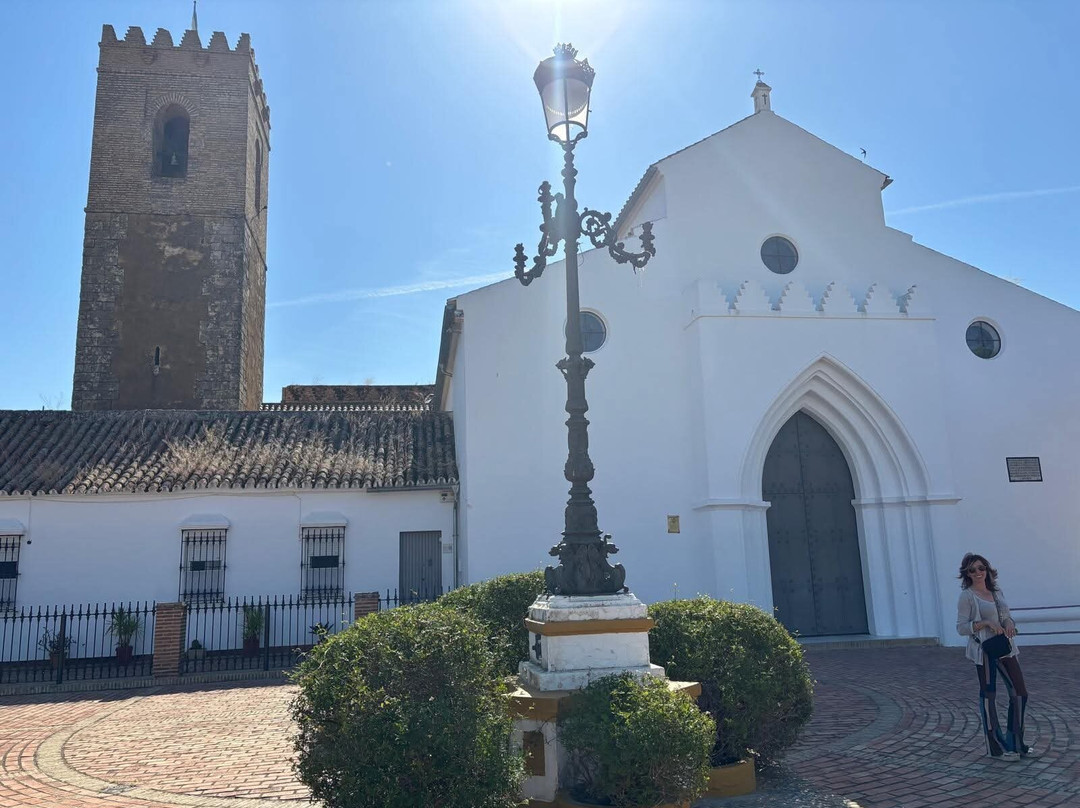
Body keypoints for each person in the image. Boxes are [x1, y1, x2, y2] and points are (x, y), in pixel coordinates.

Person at [956, 553, 1032, 760]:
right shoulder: (967, 596)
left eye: (981, 568)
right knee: (989, 696)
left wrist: (1009, 623)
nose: (978, 573)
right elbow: (961, 627)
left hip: (1005, 647)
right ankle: (996, 748)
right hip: (985, 650)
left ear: (988, 569)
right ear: (967, 574)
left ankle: (1016, 742)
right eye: (972, 570)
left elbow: (1006, 616)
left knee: (1020, 693)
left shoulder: (996, 591)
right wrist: (986, 624)